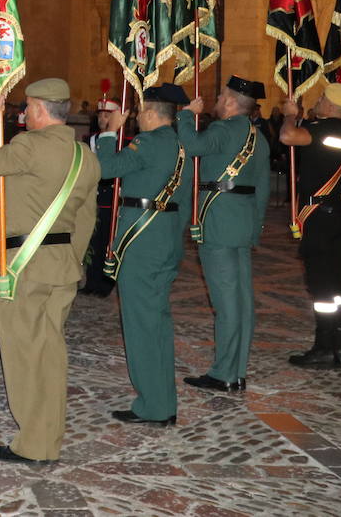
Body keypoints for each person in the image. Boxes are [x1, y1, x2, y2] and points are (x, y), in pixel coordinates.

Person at [0, 78, 101, 464]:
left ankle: (32, 444)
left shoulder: (29, 146)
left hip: (24, 266)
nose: (23, 114)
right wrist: (71, 261)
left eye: (26, 107)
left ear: (41, 110)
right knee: (51, 353)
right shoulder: (85, 157)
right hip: (62, 266)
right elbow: (87, 221)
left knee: (23, 353)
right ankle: (47, 437)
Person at [95, 84, 189, 426]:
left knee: (141, 325)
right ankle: (162, 400)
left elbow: (105, 169)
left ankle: (154, 406)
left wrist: (110, 132)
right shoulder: (180, 145)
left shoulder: (148, 142)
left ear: (151, 113)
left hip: (141, 241)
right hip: (164, 237)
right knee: (158, 323)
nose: (134, 115)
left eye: (137, 110)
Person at [178, 75, 271, 392]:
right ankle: (237, 369)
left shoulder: (222, 129)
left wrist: (186, 114)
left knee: (226, 303)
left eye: (220, 96)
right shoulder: (259, 137)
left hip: (217, 221)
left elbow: (191, 146)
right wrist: (255, 228)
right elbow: (263, 189)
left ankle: (224, 374)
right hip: (243, 223)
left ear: (231, 101)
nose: (216, 101)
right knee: (242, 301)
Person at [280, 81, 341, 369]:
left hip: (319, 214)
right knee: (334, 284)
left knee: (321, 286)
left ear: (329, 104)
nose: (319, 100)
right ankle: (338, 341)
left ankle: (326, 347)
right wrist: (337, 213)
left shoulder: (323, 130)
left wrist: (291, 113)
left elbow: (288, 137)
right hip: (336, 212)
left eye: (322, 97)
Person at [81, 97, 122, 297]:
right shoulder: (89, 140)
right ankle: (91, 281)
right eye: (100, 115)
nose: (102, 119)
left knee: (107, 242)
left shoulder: (122, 142)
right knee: (91, 241)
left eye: (107, 115)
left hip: (110, 198)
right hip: (91, 196)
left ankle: (106, 283)